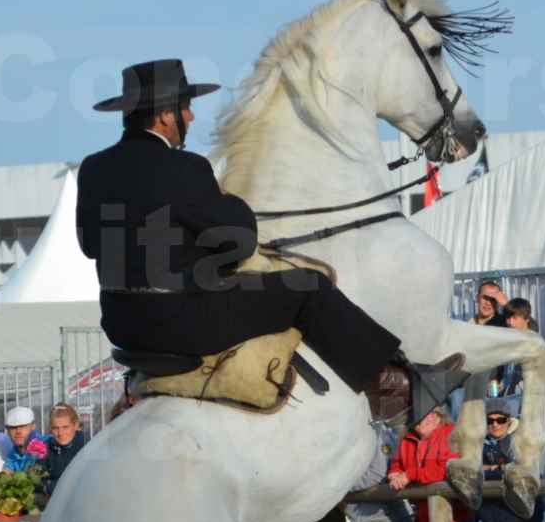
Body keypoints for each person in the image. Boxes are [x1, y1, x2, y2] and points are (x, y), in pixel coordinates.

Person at [76, 59, 458, 418]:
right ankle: (392, 389)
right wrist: (230, 206)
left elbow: (90, 245)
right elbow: (239, 240)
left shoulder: (93, 168)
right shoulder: (185, 167)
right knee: (308, 287)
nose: (190, 117)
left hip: (123, 323)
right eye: (185, 108)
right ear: (164, 115)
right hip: (181, 322)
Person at [43, 404, 87, 495]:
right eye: (55, 428)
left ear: (75, 425)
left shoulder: (88, 446)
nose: (60, 433)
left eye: (65, 427)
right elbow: (35, 479)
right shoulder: (46, 447)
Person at [4, 407, 47, 472]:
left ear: (33, 426)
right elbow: (6, 475)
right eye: (13, 427)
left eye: (22, 426)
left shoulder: (48, 444)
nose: (18, 431)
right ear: (7, 430)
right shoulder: (13, 454)